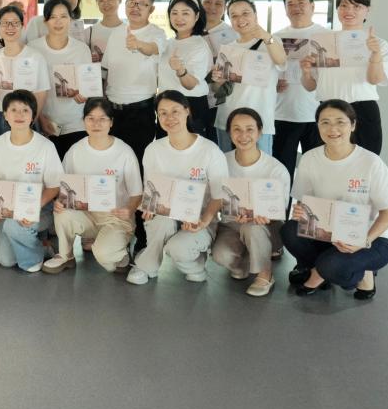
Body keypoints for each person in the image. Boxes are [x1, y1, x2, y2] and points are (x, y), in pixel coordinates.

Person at [281, 100, 388, 300]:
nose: (332, 129)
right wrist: (300, 212)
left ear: (353, 125)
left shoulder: (371, 163)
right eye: (325, 122)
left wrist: (364, 241)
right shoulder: (309, 158)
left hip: (372, 238)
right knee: (290, 230)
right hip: (328, 233)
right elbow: (303, 202)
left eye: (340, 122)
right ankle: (323, 268)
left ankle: (355, 273)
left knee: (332, 267)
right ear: (317, 126)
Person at [127, 90, 229, 285]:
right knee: (162, 221)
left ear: (187, 111)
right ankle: (146, 265)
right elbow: (151, 189)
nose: (169, 118)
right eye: (163, 113)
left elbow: (219, 196)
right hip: (165, 214)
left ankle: (195, 266)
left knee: (179, 249)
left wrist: (204, 221)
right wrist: (149, 206)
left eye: (175, 111)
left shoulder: (209, 150)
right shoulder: (153, 150)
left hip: (198, 218)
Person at [43, 98, 142, 274]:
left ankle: (119, 253)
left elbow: (137, 193)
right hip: (86, 215)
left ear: (111, 122)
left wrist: (130, 209)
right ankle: (66, 256)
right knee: (62, 212)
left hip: (115, 217)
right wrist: (59, 201)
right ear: (83, 121)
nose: (96, 124)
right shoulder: (75, 150)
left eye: (102, 119)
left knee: (105, 256)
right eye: (90, 118)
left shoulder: (124, 152)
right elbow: (64, 185)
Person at [299, 0, 388, 155]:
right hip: (328, 110)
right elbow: (310, 86)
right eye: (344, 5)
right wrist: (305, 71)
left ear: (367, 10)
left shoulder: (378, 44)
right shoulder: (322, 42)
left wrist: (375, 54)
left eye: (357, 6)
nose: (349, 11)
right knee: (327, 161)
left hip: (362, 110)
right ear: (337, 9)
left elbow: (375, 79)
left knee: (365, 162)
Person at [211, 107, 290, 297]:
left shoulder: (275, 169)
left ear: (260, 132)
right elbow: (215, 198)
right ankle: (247, 261)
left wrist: (265, 217)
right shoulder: (220, 162)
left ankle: (265, 275)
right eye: (237, 129)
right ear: (229, 132)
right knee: (221, 255)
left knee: (252, 228)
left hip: (266, 226)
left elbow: (280, 209)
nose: (243, 135)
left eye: (249, 129)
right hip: (232, 225)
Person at [0, 90, 62, 272]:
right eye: (14, 110)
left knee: (14, 227)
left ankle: (32, 261)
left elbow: (54, 186)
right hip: (8, 210)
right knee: (6, 260)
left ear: (33, 115)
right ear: (5, 115)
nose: (19, 115)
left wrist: (33, 207)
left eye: (25, 110)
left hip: (39, 209)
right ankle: (44, 246)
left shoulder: (45, 146)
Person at [101, 0, 168, 165]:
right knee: (112, 164)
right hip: (112, 111)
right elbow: (107, 70)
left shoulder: (157, 33)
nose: (135, 7)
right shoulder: (116, 33)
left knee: (137, 164)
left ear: (151, 9)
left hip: (140, 112)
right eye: (131, 2)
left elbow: (153, 49)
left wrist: (138, 44)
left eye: (142, 4)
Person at [211, 0, 286, 154]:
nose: (240, 19)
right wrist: (218, 80)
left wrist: (267, 37)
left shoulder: (271, 42)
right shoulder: (228, 48)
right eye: (234, 15)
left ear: (255, 15)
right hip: (227, 119)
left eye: (245, 13)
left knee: (260, 165)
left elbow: (281, 61)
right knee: (227, 165)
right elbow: (218, 90)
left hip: (259, 120)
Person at [272, 0, 323, 179]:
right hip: (283, 113)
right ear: (285, 9)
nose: (296, 7)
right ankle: (282, 201)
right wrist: (273, 85)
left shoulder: (325, 36)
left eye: (301, 3)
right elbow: (266, 72)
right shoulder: (275, 38)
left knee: (316, 173)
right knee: (282, 172)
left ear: (312, 6)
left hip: (317, 114)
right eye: (290, 4)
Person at [31, 0, 93, 158]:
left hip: (76, 124)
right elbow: (28, 89)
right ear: (45, 21)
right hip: (44, 123)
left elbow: (89, 86)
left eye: (64, 16)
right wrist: (40, 118)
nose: (58, 22)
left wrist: (84, 94)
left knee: (73, 170)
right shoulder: (33, 49)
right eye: (53, 17)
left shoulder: (82, 49)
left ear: (71, 19)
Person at [0, 4, 50, 145]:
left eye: (15, 23)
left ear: (22, 26)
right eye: (5, 23)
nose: (10, 27)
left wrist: (31, 119)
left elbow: (41, 93)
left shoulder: (35, 56)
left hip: (25, 117)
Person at [156, 0, 212, 138]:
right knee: (166, 148)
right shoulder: (168, 43)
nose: (179, 18)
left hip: (191, 105)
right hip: (166, 105)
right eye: (174, 13)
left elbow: (190, 84)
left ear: (197, 16)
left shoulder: (199, 45)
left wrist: (180, 70)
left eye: (185, 13)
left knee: (192, 150)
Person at [201, 0, 237, 143]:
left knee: (218, 145)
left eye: (218, 3)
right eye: (207, 2)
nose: (212, 7)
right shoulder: (189, 30)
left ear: (225, 7)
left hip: (221, 103)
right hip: (194, 99)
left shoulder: (233, 35)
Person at [81, 0, 124, 64]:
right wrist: (88, 58)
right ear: (97, 3)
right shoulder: (89, 32)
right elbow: (79, 58)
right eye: (101, 0)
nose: (106, 3)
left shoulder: (130, 31)